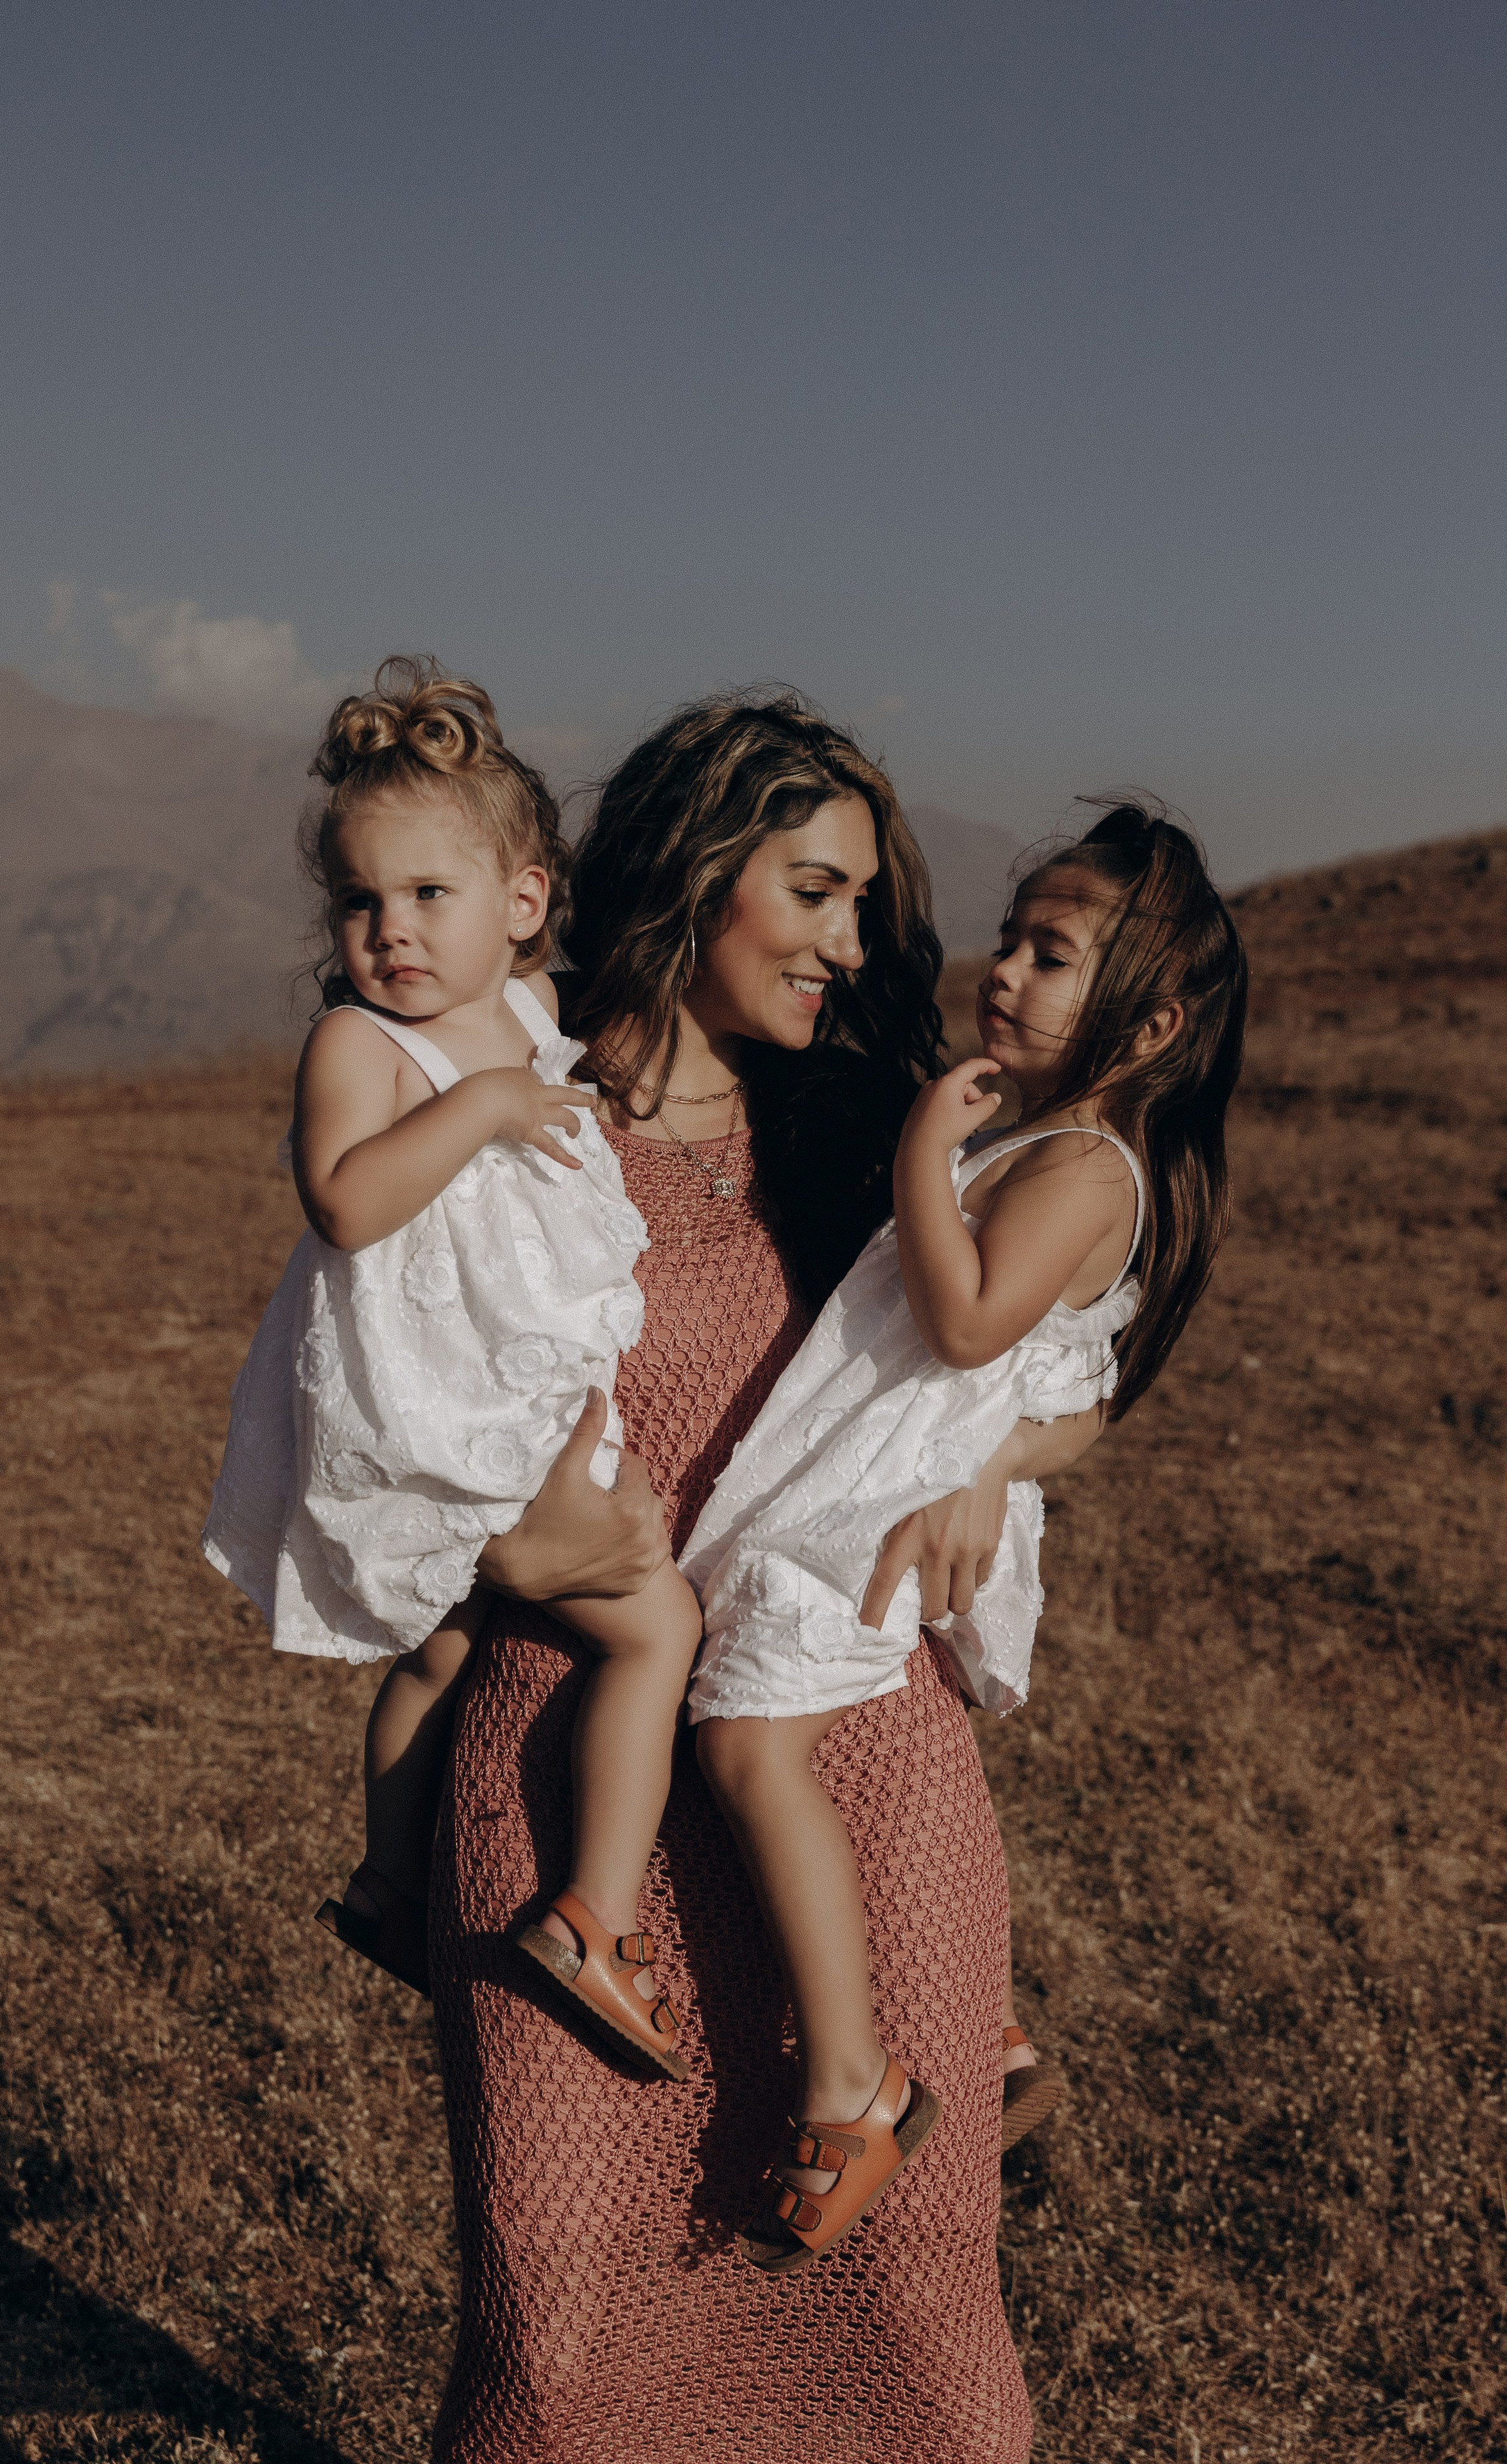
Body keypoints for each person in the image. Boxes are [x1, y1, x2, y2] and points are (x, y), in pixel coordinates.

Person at [426, 691, 1101, 2464]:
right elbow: (373, 1419)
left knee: (913, 2315)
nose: (848, 943)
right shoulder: (496, 1114)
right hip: (583, 1781)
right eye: (813, 891)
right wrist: (505, 1542)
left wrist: (989, 1463)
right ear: (701, 869)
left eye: (863, 904)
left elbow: (1068, 1372)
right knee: (558, 2332)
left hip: (857, 1759)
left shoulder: (868, 1138)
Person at [681, 800, 1248, 2270]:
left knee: (753, 1744)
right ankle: (934, 2023)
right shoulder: (1044, 1141)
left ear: (1148, 1021)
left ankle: (853, 2083)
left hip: (882, 1510)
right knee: (766, 1738)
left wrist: (921, 1157)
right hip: (859, 1481)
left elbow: (968, 1317)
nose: (1003, 972)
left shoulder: (1079, 1169)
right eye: (1010, 939)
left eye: (1049, 955)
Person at [202, 658, 701, 2076]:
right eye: (361, 901)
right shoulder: (359, 1044)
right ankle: (594, 1916)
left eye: (429, 896)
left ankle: (389, 1889)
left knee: (446, 1643)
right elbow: (346, 1203)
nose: (390, 931)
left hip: (504, 1394)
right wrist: (480, 1106)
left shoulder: (535, 1019)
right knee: (651, 1628)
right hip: (430, 1405)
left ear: (524, 906)